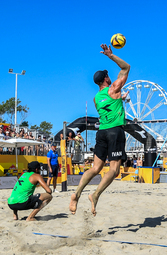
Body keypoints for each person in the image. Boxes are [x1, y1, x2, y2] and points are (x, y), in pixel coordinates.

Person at [70, 43, 130, 216]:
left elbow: (111, 105)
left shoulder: (97, 98)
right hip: (114, 131)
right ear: (106, 79)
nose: (110, 77)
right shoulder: (114, 88)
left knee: (95, 168)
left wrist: (121, 99)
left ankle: (77, 193)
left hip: (101, 132)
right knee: (114, 169)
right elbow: (126, 67)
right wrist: (110, 55)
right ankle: (95, 195)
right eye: (108, 75)